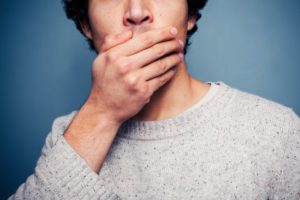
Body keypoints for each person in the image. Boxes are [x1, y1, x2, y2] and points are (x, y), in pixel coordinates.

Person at [9, 0, 300, 199]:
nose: (136, 12)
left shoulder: (277, 131)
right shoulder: (68, 136)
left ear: (190, 15)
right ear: (86, 24)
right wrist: (102, 113)